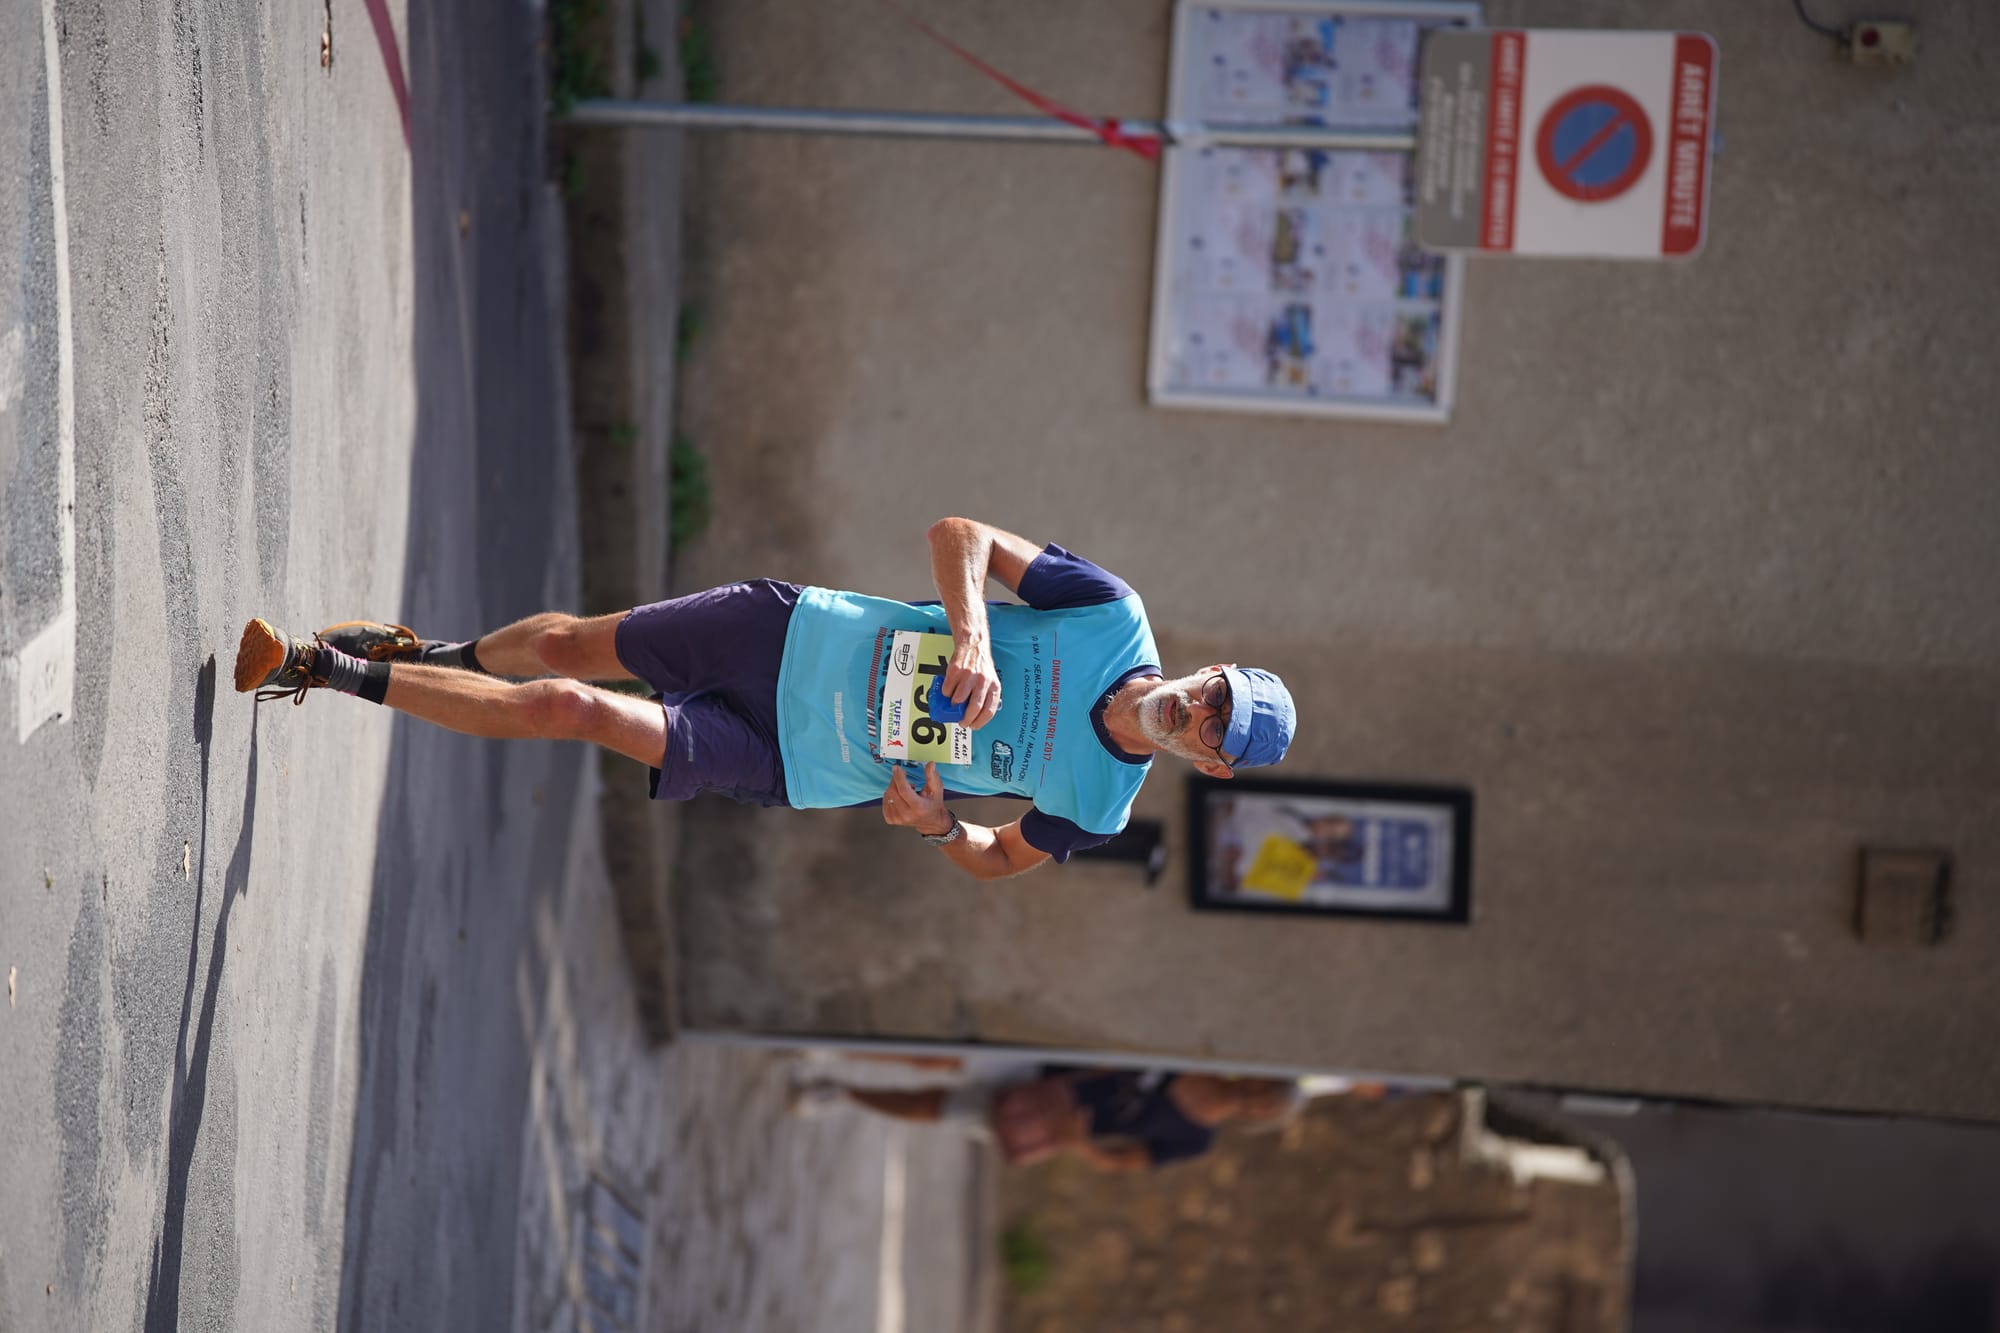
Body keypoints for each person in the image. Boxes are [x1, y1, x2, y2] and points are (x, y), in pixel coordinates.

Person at [232, 517, 1297, 880]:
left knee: (576, 707)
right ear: (1210, 668)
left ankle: (319, 669)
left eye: (1214, 732)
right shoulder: (1110, 612)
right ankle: (446, 652)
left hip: (795, 758)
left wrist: (936, 827)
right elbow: (957, 537)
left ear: (1206, 763)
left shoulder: (1097, 807)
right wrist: (972, 629)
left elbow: (997, 860)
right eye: (1214, 694)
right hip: (790, 628)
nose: (1197, 712)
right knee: (566, 645)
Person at [791, 1064, 1304, 1172]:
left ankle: (845, 1092)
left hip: (1048, 1115)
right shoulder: (1198, 1061)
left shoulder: (1196, 1140)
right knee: (939, 1060)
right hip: (1045, 1065)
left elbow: (1123, 1162)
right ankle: (843, 1053)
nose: (1257, 1099)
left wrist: (1076, 1142)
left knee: (937, 1108)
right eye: (1265, 1088)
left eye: (1267, 1107)